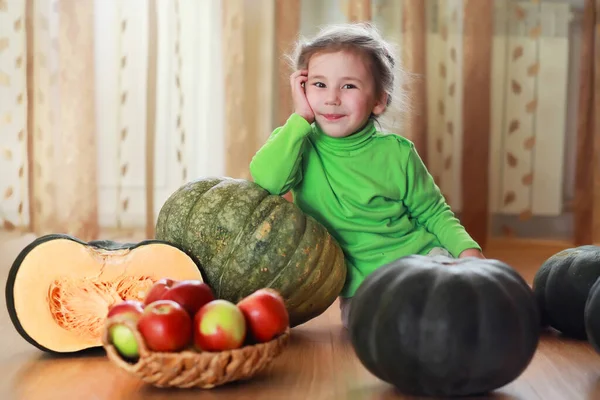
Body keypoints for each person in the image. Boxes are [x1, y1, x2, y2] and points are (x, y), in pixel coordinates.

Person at [249, 22, 484, 329]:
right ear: (302, 88)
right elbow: (267, 184)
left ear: (379, 101)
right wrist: (300, 118)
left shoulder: (397, 152)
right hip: (363, 285)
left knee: (461, 309)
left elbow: (433, 212)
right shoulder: (296, 142)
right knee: (383, 326)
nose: (332, 98)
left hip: (422, 258)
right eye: (319, 85)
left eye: (348, 86)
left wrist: (468, 251)